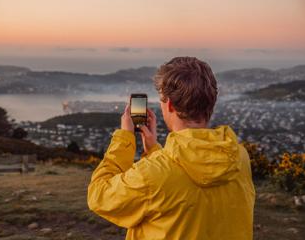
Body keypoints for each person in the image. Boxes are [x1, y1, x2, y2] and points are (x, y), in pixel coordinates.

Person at [87, 57, 255, 240]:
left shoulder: (153, 174)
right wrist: (154, 151)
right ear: (211, 102)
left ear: (170, 105)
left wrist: (124, 138)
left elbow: (99, 196)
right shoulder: (239, 156)